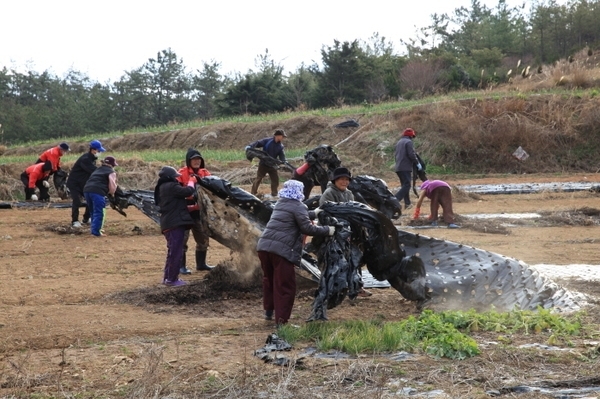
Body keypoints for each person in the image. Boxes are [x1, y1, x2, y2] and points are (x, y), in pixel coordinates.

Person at [257, 179, 334, 325]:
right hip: (281, 251)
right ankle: (282, 321)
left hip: (264, 247)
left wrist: (314, 213)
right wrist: (328, 230)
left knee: (270, 281)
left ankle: (269, 311)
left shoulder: (281, 203)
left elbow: (296, 216)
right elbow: (307, 228)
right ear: (299, 191)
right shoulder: (298, 205)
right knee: (285, 286)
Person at [318, 166, 372, 297]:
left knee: (355, 258)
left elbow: (353, 212)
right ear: (335, 180)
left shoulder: (349, 193)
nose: (345, 182)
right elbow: (325, 216)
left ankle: (357, 287)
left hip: (348, 233)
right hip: (331, 234)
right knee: (335, 263)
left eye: (347, 179)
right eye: (342, 179)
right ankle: (331, 290)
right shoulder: (329, 194)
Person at [154, 166, 197, 287]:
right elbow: (188, 191)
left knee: (172, 252)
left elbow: (173, 206)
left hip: (168, 223)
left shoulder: (162, 188)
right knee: (176, 252)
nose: (177, 179)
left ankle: (167, 278)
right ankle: (172, 279)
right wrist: (191, 182)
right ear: (170, 178)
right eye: (175, 177)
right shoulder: (171, 187)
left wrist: (192, 208)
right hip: (174, 224)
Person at [176, 148, 214, 274]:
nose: (197, 161)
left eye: (199, 159)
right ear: (189, 161)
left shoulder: (205, 173)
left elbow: (212, 188)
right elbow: (177, 191)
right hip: (185, 209)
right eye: (194, 159)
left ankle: (201, 264)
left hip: (200, 210)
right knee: (183, 239)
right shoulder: (182, 173)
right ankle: (181, 266)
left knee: (203, 237)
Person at [66, 140, 106, 228]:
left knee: (90, 199)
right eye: (98, 151)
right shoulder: (85, 159)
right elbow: (93, 170)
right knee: (77, 201)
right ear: (93, 150)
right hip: (74, 183)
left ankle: (86, 219)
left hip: (83, 183)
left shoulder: (92, 159)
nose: (99, 153)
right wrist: (105, 170)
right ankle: (75, 221)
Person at [83, 156, 118, 237]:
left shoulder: (97, 170)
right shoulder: (111, 172)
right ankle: (96, 232)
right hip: (97, 192)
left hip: (87, 190)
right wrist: (112, 194)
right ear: (111, 165)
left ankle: (94, 229)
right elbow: (112, 186)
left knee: (92, 211)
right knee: (99, 211)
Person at [246, 129, 287, 198]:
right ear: (278, 136)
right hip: (263, 164)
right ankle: (253, 193)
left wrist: (284, 161)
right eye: (282, 136)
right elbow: (258, 143)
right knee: (259, 178)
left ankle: (274, 193)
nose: (283, 138)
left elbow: (282, 155)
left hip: (272, 165)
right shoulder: (268, 141)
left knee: (275, 179)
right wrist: (250, 146)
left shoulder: (280, 146)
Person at [394, 128, 422, 210]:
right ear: (410, 136)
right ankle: (395, 199)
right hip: (405, 167)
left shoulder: (399, 142)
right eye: (412, 137)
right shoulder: (408, 142)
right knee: (407, 185)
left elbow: (396, 155)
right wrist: (417, 163)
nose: (412, 138)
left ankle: (407, 204)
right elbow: (411, 154)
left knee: (404, 185)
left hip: (398, 167)